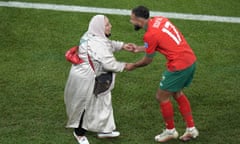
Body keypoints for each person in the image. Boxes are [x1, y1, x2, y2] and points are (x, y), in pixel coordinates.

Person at [127, 6, 199, 142]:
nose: (131, 22)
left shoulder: (149, 35)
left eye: (132, 19)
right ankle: (191, 129)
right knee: (177, 93)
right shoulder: (160, 20)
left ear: (138, 19)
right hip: (190, 60)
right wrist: (140, 48)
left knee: (161, 97)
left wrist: (133, 65)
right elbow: (163, 41)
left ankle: (170, 131)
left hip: (179, 66)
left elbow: (148, 60)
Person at [64, 15, 135, 144]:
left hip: (88, 74)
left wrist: (122, 46)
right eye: (107, 25)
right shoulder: (98, 44)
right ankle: (79, 133)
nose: (110, 26)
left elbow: (107, 44)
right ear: (100, 28)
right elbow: (109, 64)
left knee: (103, 100)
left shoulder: (91, 34)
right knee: (85, 105)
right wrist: (125, 66)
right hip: (86, 79)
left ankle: (104, 129)